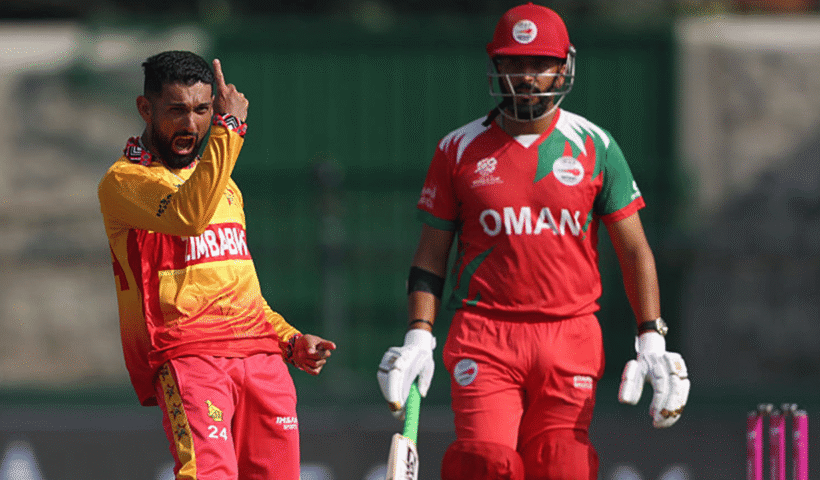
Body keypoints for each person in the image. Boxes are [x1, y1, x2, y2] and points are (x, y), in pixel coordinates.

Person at [377, 4, 690, 480]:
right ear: (496, 65)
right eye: (515, 63)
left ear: (564, 65)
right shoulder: (457, 148)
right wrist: (419, 333)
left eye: (540, 63)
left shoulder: (595, 145)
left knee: (562, 465)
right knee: (488, 464)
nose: (527, 76)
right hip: (485, 335)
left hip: (570, 335)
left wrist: (651, 336)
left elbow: (633, 250)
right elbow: (431, 255)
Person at [98, 50, 336, 480]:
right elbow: (187, 216)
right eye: (177, 110)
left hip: (262, 359)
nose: (191, 124)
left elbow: (243, 292)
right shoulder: (124, 183)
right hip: (190, 357)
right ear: (145, 108)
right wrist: (231, 128)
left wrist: (290, 339)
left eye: (203, 110)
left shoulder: (225, 188)